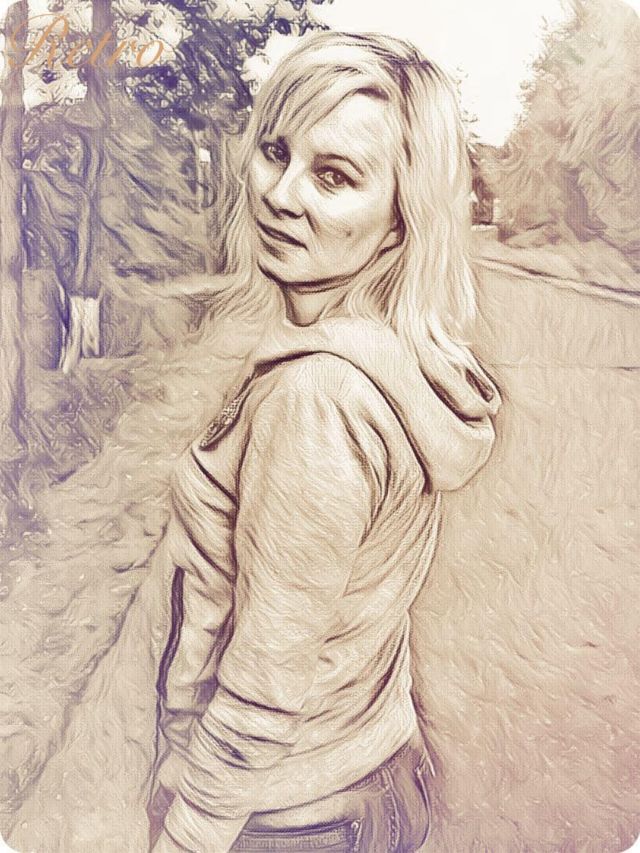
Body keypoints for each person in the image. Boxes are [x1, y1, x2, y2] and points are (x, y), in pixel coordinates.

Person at [147, 30, 501, 853]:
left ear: (399, 222)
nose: (280, 193)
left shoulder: (318, 400)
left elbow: (264, 680)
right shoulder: (400, 357)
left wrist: (189, 833)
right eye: (276, 152)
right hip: (374, 770)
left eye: (334, 176)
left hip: (287, 814)